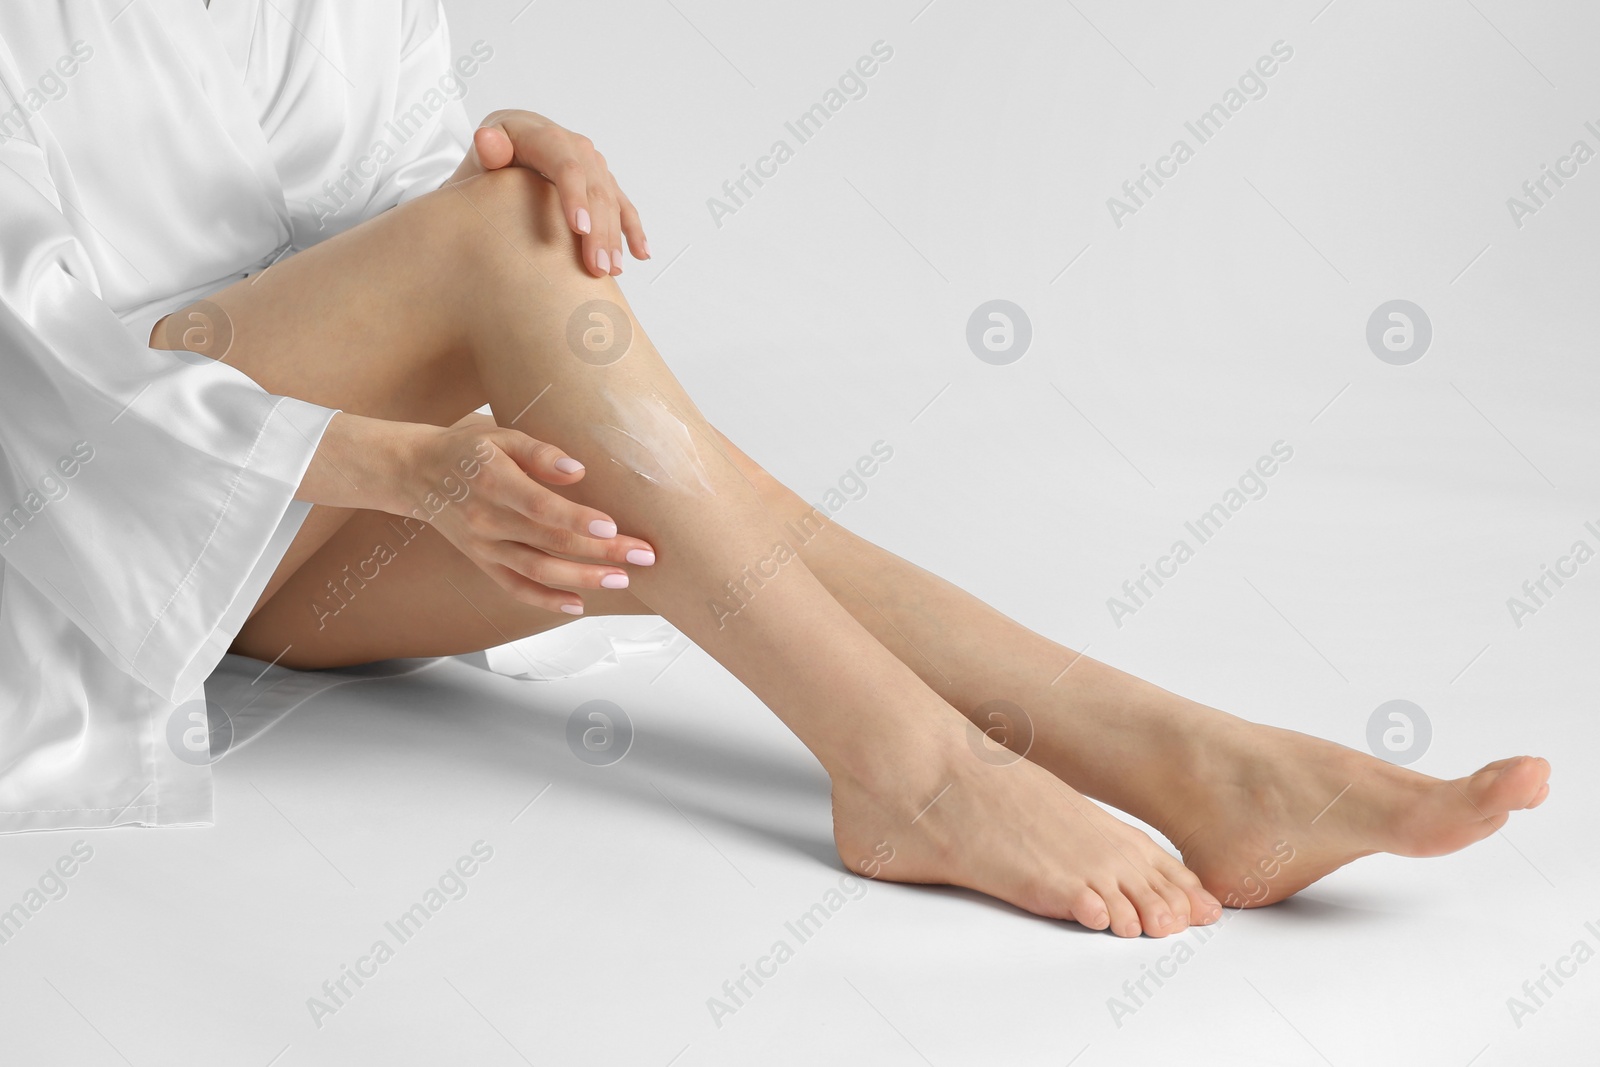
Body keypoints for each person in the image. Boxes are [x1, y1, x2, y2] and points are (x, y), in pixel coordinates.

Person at [0, 1, 1549, 937]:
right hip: (61, 542)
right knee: (514, 268)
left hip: (262, 528)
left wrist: (480, 168)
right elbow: (25, 370)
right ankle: (921, 772)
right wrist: (396, 449)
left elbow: (376, 219)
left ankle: (1165, 748)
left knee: (551, 279)